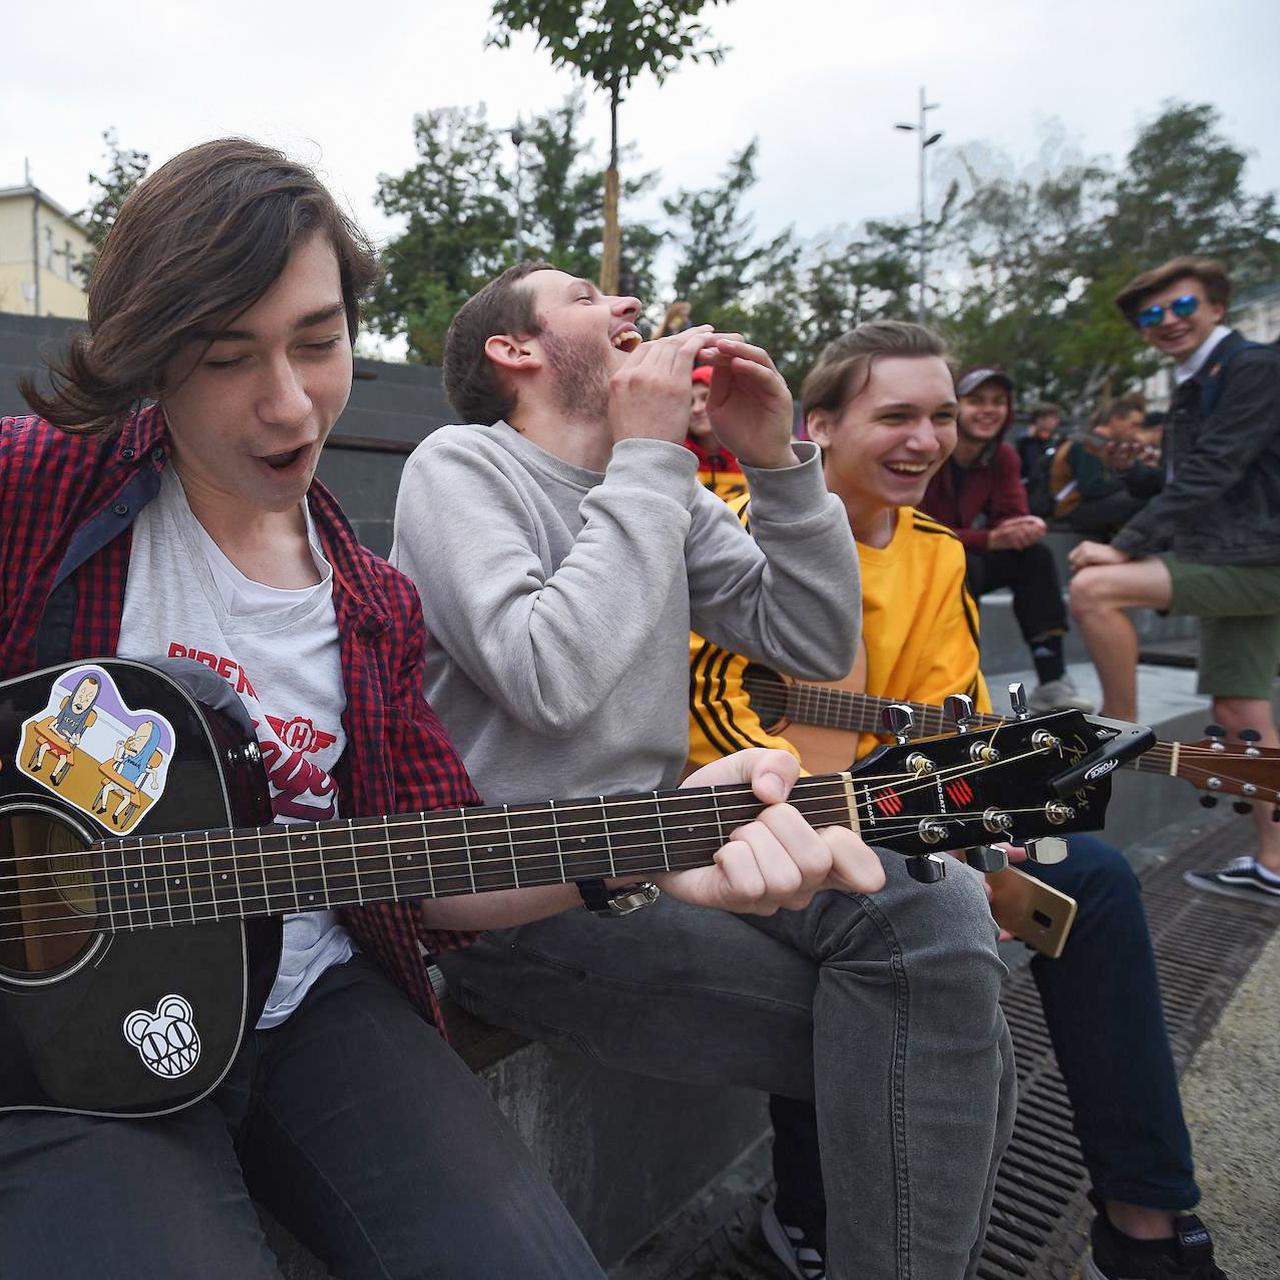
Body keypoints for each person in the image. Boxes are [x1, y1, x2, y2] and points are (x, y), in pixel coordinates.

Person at [0, 139, 868, 1280]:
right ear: (152, 355)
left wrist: (653, 840)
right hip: (54, 1038)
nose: (287, 401)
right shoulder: (41, 490)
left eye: (318, 341)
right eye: (224, 357)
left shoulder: (370, 603)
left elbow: (436, 871)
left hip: (314, 1003)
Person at [392, 266, 1016, 1280]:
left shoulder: (659, 489)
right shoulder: (461, 466)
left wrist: (777, 462)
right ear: (516, 350)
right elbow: (548, 677)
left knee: (936, 907)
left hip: (680, 850)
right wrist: (644, 455)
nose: (629, 309)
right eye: (588, 298)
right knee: (948, 1038)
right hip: (527, 893)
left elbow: (810, 638)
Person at [687, 320, 1226, 1280]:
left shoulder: (935, 551)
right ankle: (811, 1219)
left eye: (940, 416)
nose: (926, 440)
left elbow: (955, 725)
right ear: (814, 424)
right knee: (883, 915)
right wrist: (893, 821)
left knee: (1088, 880)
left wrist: (981, 828)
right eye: (894, 414)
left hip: (887, 816)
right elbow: (712, 707)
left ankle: (1146, 1225)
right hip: (739, 819)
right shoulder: (723, 516)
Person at [1069, 256, 1280, 905]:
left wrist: (1125, 545)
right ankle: (1274, 865)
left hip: (1255, 558)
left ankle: (1121, 728)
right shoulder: (1195, 383)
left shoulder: (1251, 368)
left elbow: (1213, 472)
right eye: (1152, 316)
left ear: (1217, 306)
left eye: (1182, 307)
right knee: (1241, 713)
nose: (1166, 323)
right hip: (1236, 551)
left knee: (1093, 589)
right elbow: (1200, 477)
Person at [921, 366, 1092, 713]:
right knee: (965, 566)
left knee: (1036, 557)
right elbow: (916, 527)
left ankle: (1052, 680)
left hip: (964, 549)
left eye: (999, 401)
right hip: (920, 557)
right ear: (954, 406)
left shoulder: (1003, 455)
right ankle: (958, 684)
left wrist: (1024, 527)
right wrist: (989, 538)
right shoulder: (928, 448)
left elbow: (1010, 514)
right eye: (976, 401)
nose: (989, 410)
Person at [1051, 395, 1156, 539]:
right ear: (1115, 420)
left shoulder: (1105, 442)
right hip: (1072, 508)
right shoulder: (1089, 442)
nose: (1137, 432)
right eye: (1134, 425)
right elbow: (1091, 487)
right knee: (1142, 498)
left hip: (1087, 505)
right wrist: (1129, 479)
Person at [685, 363, 748, 501]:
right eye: (689, 402)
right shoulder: (679, 460)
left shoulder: (752, 456)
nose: (696, 409)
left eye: (705, 397)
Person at [1016, 400, 1065, 518]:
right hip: (1028, 489)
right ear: (1039, 419)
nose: (1056, 421)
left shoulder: (1058, 441)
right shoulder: (1025, 442)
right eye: (1052, 418)